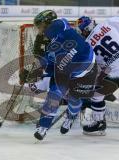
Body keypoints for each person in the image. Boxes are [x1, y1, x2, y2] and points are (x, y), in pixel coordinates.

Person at [31, 10, 97, 141]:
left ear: (47, 23)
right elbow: (51, 65)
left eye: (40, 26)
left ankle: (71, 116)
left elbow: (61, 26)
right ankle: (43, 126)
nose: (40, 30)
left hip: (86, 64)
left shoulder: (59, 23)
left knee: (74, 98)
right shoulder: (51, 44)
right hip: (70, 66)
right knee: (54, 92)